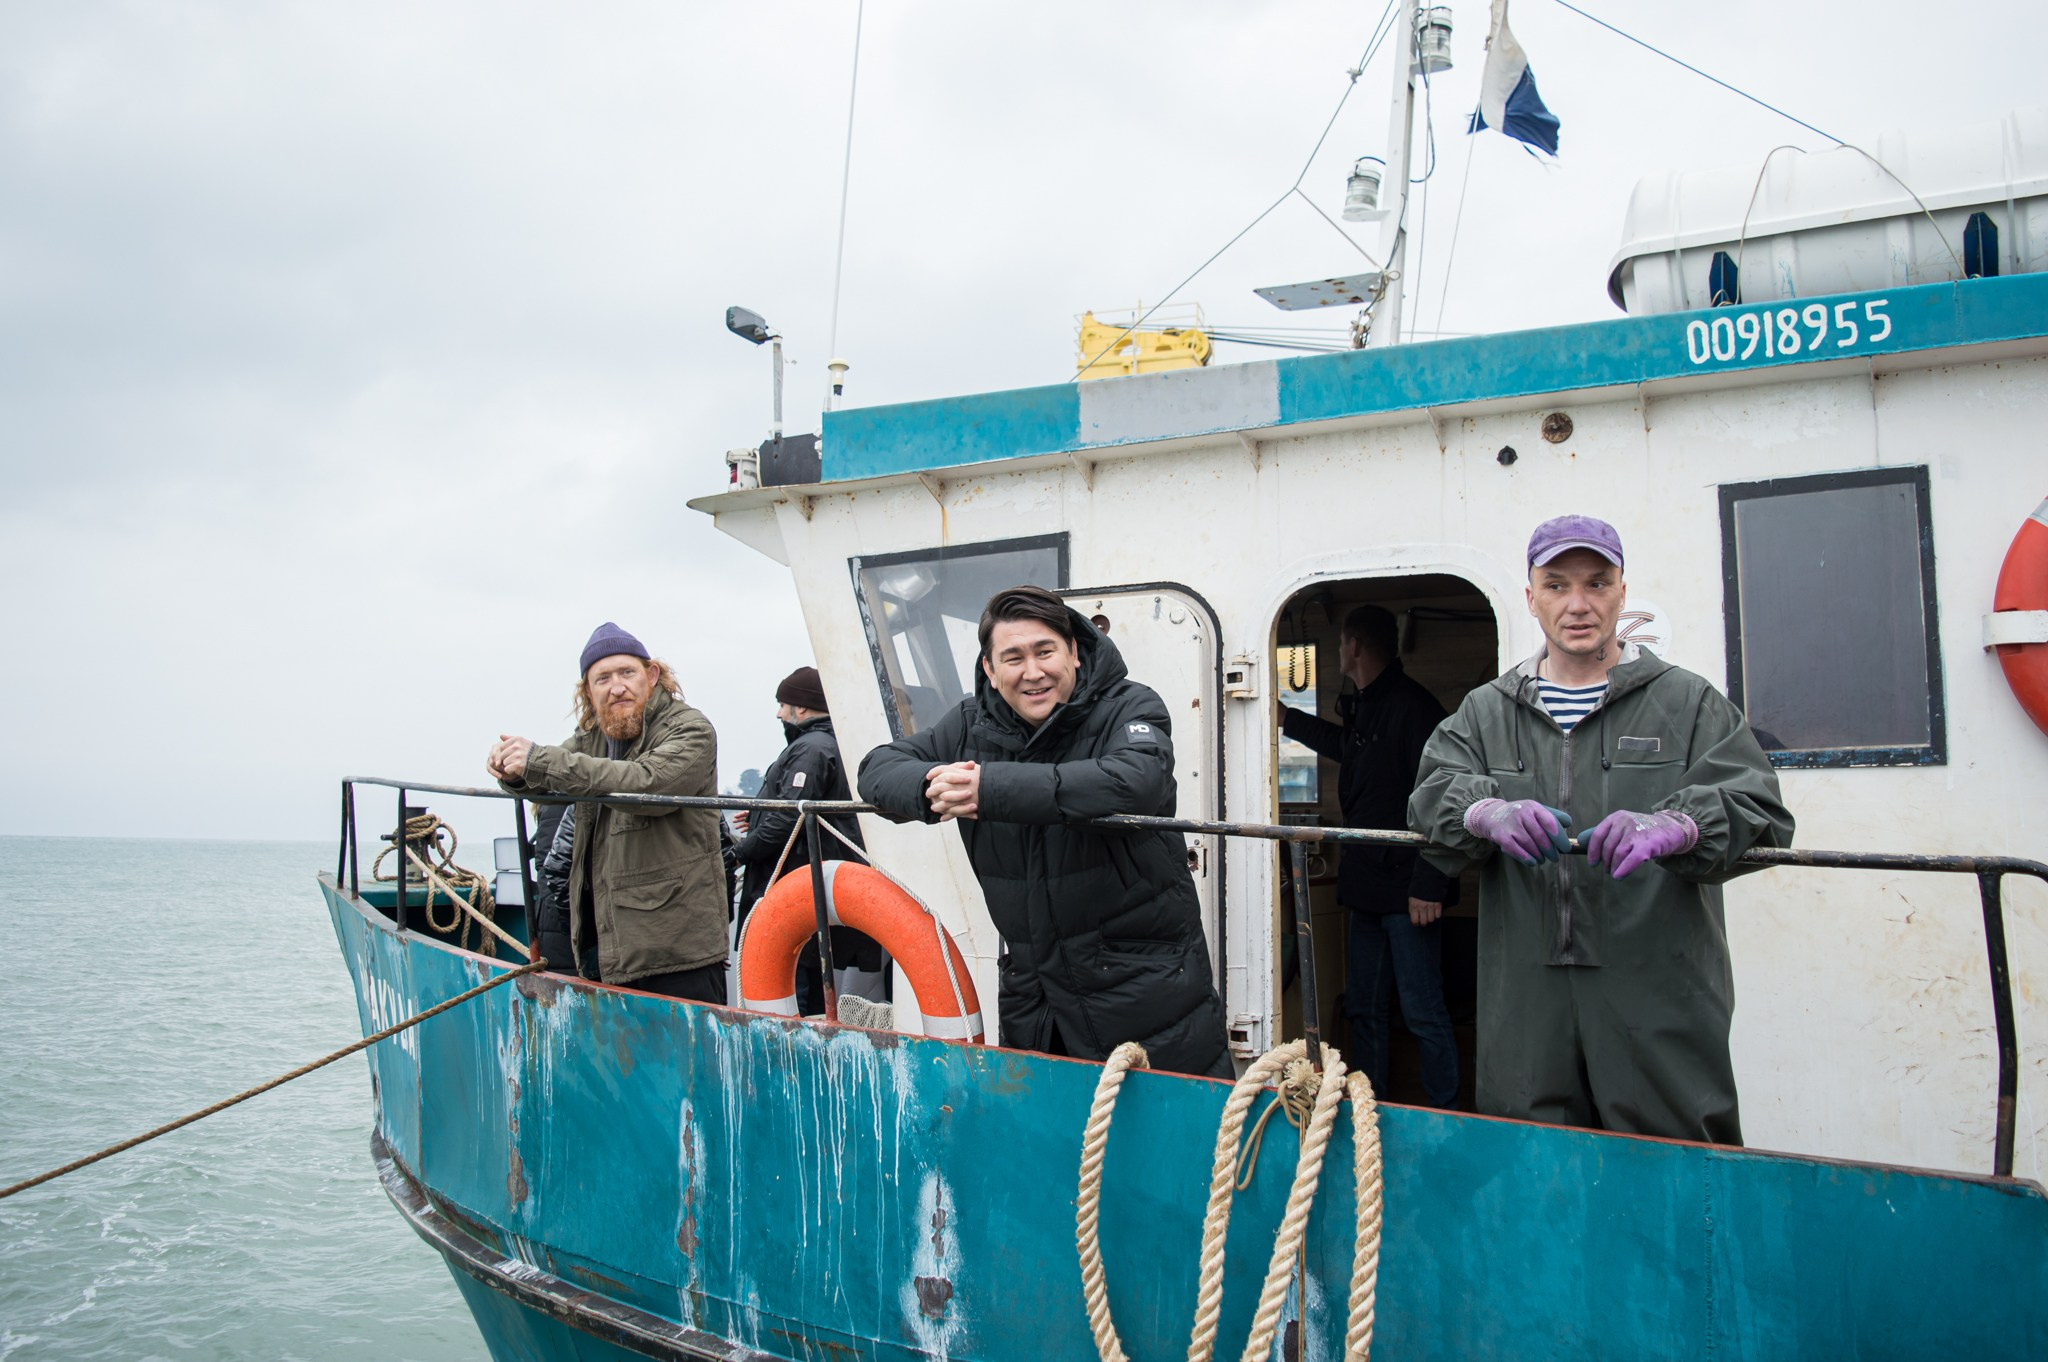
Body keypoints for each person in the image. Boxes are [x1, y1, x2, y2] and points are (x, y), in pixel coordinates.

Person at [1408, 516, 1794, 1144]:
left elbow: (1761, 809)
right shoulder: (1486, 711)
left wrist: (1680, 823)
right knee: (1527, 1156)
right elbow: (1429, 795)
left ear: (1622, 592)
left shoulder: (1688, 703)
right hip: (1524, 991)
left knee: (1674, 1159)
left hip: (1658, 984)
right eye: (1557, 585)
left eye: (1597, 583)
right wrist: (1484, 811)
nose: (1578, 604)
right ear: (1531, 599)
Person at [858, 586, 1232, 1078]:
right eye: (1011, 658)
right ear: (990, 671)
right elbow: (877, 769)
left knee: (1173, 1140)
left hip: (1145, 986)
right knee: (1051, 1142)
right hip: (1034, 992)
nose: (1032, 672)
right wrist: (933, 786)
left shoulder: (1129, 705)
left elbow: (1138, 780)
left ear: (1074, 653)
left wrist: (988, 789)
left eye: (1045, 651)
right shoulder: (972, 724)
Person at [487, 622, 728, 1002]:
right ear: (588, 690)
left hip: (675, 950)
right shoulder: (595, 737)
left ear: (651, 676)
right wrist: (513, 773)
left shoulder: (690, 729)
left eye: (627, 673)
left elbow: (647, 783)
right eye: (603, 678)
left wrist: (537, 759)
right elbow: (548, 777)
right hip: (608, 946)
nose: (617, 687)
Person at [1281, 604, 1459, 1108]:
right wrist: (1287, 720)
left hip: (1409, 893)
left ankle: (1445, 1111)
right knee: (1364, 1008)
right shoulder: (1369, 704)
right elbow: (1349, 748)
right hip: (1367, 886)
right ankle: (1371, 1107)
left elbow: (1444, 799)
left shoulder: (1413, 709)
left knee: (1423, 1010)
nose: (1339, 652)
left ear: (1353, 647)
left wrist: (1431, 882)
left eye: (1340, 645)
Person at [729, 666, 881, 1012]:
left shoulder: (811, 748)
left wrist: (739, 853)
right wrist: (756, 814)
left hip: (795, 888)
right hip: (812, 891)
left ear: (800, 709)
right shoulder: (829, 743)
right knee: (810, 983)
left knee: (795, 988)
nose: (779, 713)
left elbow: (787, 818)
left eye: (782, 705)